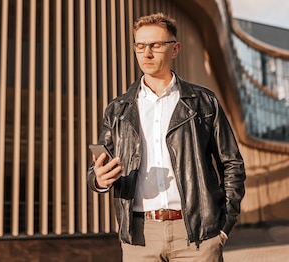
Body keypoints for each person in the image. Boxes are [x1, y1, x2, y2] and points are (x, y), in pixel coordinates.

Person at [87, 12, 246, 261]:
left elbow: (232, 164)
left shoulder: (204, 102)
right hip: (140, 238)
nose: (147, 53)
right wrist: (99, 180)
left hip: (197, 236)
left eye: (156, 45)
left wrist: (224, 228)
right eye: (140, 46)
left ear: (175, 49)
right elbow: (98, 169)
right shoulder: (118, 109)